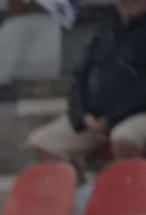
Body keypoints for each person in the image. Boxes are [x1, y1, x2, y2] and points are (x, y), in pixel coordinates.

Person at [26, 0, 146, 167]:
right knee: (43, 142)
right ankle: (80, 185)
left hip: (137, 115)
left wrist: (112, 120)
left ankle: (135, 183)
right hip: (97, 119)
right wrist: (82, 116)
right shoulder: (104, 33)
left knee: (124, 138)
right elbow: (79, 79)